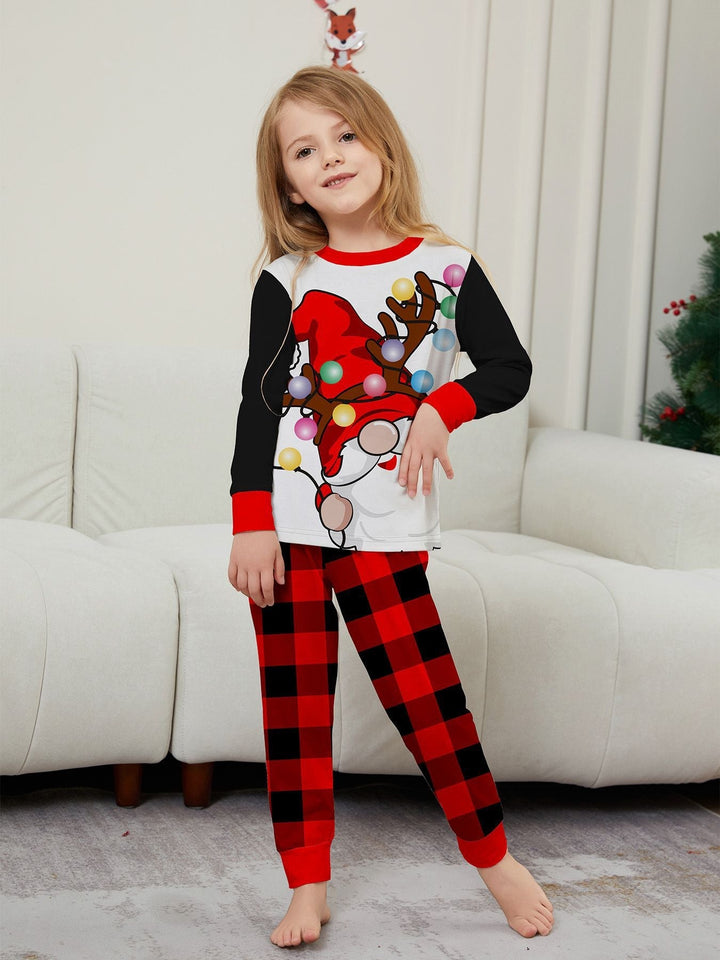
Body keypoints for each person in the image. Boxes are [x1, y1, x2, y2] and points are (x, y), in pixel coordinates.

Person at [227, 65, 554, 948]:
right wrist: (250, 519)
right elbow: (260, 403)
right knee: (295, 708)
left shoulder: (446, 267)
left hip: (387, 524)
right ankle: (306, 885)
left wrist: (443, 405)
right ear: (289, 185)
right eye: (304, 150)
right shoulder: (287, 278)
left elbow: (509, 368)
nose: (330, 157)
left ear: (382, 146)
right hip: (288, 526)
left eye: (344, 136)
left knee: (428, 701)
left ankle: (495, 859)